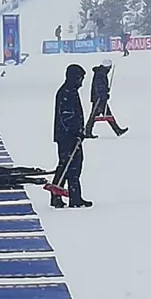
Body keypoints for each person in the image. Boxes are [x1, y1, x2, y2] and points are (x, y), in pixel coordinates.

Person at [52, 63, 92, 208]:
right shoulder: (66, 92)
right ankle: (65, 197)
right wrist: (75, 132)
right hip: (67, 137)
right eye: (80, 78)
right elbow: (67, 116)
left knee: (70, 166)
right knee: (69, 166)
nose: (81, 82)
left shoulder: (70, 91)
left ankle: (73, 197)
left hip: (69, 135)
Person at [87, 59, 128, 136]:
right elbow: (99, 87)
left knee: (107, 114)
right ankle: (87, 131)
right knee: (93, 115)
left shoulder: (101, 72)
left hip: (101, 98)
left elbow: (101, 86)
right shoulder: (100, 73)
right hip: (99, 99)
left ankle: (117, 130)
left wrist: (106, 90)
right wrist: (104, 94)